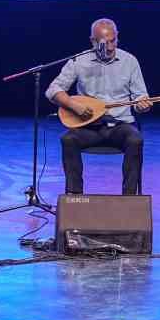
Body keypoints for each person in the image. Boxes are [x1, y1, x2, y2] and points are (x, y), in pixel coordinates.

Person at [46, 18, 151, 195]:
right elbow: (53, 90)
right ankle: (75, 197)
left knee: (136, 140)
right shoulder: (79, 61)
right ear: (93, 41)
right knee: (68, 140)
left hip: (120, 125)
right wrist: (74, 105)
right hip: (89, 127)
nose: (110, 47)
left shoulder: (130, 61)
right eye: (104, 42)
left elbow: (141, 95)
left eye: (113, 41)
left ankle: (130, 199)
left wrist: (143, 105)